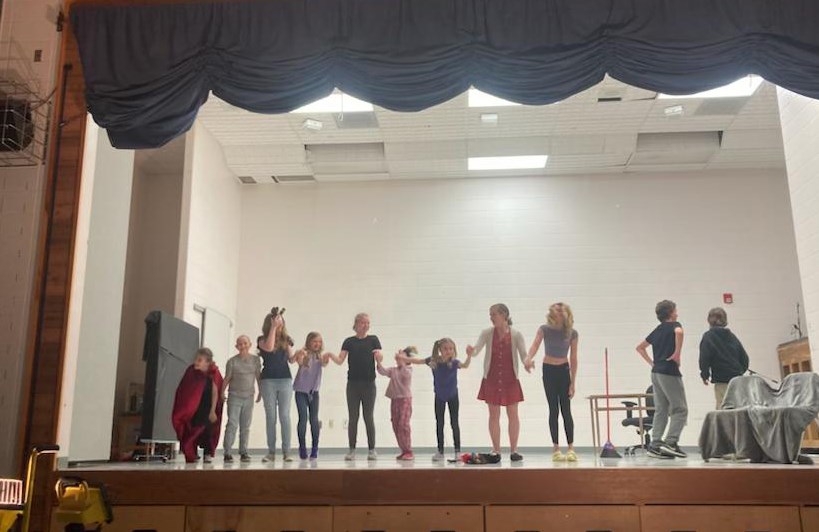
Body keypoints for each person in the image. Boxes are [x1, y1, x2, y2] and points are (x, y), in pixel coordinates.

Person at [466, 303, 528, 461]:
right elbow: (477, 350)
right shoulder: (487, 333)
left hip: (510, 379)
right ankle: (496, 450)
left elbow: (523, 355)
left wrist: (528, 363)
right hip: (492, 379)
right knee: (493, 415)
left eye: (494, 314)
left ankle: (514, 451)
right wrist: (471, 351)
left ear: (504, 315)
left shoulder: (516, 334)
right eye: (490, 314)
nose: (491, 317)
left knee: (513, 414)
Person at [402, 338, 472, 461]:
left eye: (451, 349)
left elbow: (465, 365)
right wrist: (404, 359)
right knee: (439, 423)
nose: (448, 351)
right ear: (439, 350)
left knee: (454, 423)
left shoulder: (454, 362)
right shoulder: (433, 361)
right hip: (439, 395)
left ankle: (457, 451)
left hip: (452, 395)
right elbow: (418, 361)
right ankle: (440, 451)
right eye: (445, 349)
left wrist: (469, 355)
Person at [525, 302, 579, 462]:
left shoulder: (572, 333)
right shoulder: (545, 329)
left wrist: (573, 382)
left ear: (567, 312)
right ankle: (556, 448)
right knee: (553, 409)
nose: (560, 311)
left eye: (562, 309)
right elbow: (535, 344)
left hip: (564, 371)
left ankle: (571, 448)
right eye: (557, 309)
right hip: (549, 370)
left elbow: (574, 358)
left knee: (566, 410)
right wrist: (528, 358)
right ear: (552, 313)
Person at [636, 300, 688, 459]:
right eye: (675, 310)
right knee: (680, 409)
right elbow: (679, 332)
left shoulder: (657, 330)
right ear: (671, 313)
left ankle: (655, 444)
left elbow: (640, 347)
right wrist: (677, 353)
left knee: (661, 409)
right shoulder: (674, 324)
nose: (677, 312)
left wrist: (652, 363)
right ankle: (671, 442)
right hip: (669, 372)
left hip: (656, 372)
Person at [328, 313, 383, 461]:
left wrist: (378, 357)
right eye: (363, 323)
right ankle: (351, 450)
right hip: (353, 384)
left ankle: (372, 450)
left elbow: (379, 356)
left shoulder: (373, 339)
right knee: (353, 418)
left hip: (369, 384)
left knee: (368, 417)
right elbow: (340, 360)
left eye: (368, 323)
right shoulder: (349, 342)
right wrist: (330, 355)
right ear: (356, 324)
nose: (366, 325)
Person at [172, 348, 224, 463]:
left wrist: (212, 411)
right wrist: (186, 408)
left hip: (207, 408)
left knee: (207, 430)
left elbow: (216, 393)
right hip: (194, 409)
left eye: (200, 360)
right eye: (196, 359)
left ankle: (208, 453)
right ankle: (192, 453)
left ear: (208, 362)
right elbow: (183, 390)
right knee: (192, 429)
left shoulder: (213, 373)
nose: (196, 362)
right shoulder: (190, 372)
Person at [258, 309, 297, 462]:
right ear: (271, 322)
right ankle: (271, 452)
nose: (280, 323)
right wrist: (273, 328)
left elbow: (292, 359)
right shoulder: (261, 339)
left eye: (281, 321)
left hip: (285, 380)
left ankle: (287, 452)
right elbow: (268, 347)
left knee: (285, 416)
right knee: (271, 416)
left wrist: (298, 354)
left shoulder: (286, 340)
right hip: (268, 381)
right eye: (276, 321)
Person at [698, 307, 749, 408]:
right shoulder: (732, 336)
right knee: (738, 407)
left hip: (721, 379)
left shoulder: (708, 336)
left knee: (723, 408)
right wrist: (740, 371)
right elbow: (744, 358)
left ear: (709, 320)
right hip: (737, 378)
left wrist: (705, 375)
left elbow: (704, 357)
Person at [221, 335, 261, 463]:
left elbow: (258, 377)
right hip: (234, 396)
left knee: (245, 426)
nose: (242, 346)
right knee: (232, 424)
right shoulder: (232, 361)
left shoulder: (255, 360)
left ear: (249, 345)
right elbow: (227, 378)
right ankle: (227, 452)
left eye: (245, 343)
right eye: (240, 344)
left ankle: (243, 452)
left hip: (249, 397)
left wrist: (261, 392)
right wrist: (222, 392)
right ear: (236, 346)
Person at [293, 332, 332, 460]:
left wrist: (326, 359)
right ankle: (302, 447)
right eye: (315, 341)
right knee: (303, 418)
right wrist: (302, 357)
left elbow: (325, 363)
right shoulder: (304, 353)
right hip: (301, 391)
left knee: (314, 420)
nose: (317, 344)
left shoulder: (320, 356)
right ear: (309, 342)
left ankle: (315, 448)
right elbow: (300, 362)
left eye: (319, 342)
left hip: (314, 392)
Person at [377, 346, 416, 460]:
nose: (398, 359)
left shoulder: (408, 369)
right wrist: (378, 361)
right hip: (394, 400)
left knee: (403, 425)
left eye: (402, 357)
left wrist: (403, 362)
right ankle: (403, 450)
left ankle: (409, 450)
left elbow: (405, 376)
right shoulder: (393, 370)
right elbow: (382, 371)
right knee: (395, 424)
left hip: (405, 400)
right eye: (398, 357)